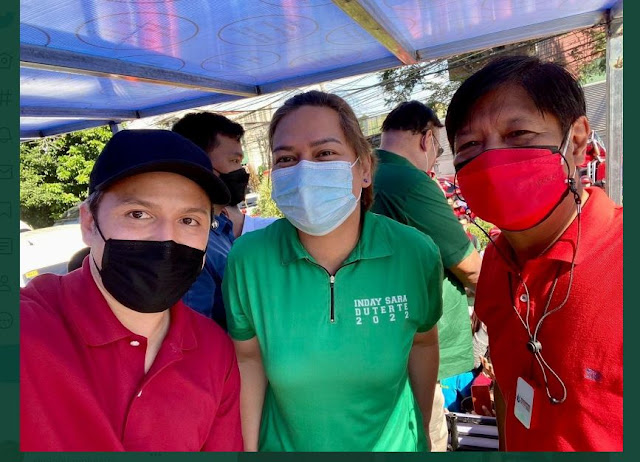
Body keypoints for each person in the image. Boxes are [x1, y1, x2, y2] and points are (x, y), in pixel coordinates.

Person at [223, 91, 443, 452]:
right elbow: (249, 358)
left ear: (365, 168)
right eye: (286, 158)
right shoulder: (248, 259)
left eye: (324, 153)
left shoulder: (414, 252)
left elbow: (423, 342)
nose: (304, 171)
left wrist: (420, 432)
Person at [20, 129, 243, 451]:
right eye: (138, 214)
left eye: (189, 220)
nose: (166, 238)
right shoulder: (26, 331)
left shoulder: (214, 351)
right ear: (89, 223)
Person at [446, 55, 622, 451]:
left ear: (576, 140)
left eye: (519, 134)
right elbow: (507, 388)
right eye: (470, 145)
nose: (492, 158)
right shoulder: (495, 262)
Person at [371, 100, 481, 451]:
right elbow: (468, 265)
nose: (435, 158)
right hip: (414, 345)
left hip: (375, 341)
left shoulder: (365, 174)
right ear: (426, 139)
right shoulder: (410, 182)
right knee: (425, 436)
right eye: (439, 149)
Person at [172, 112, 275, 328]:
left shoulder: (220, 228)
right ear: (200, 165)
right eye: (234, 161)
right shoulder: (191, 243)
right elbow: (194, 332)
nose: (242, 171)